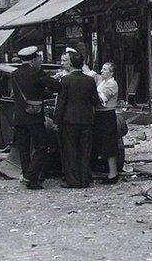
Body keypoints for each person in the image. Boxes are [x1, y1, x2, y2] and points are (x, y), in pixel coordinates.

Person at [11, 46, 61, 190]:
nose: (40, 59)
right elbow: (56, 87)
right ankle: (30, 176)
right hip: (33, 116)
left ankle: (29, 178)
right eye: (38, 57)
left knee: (24, 148)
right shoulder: (37, 73)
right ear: (33, 59)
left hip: (19, 116)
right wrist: (55, 79)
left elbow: (28, 92)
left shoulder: (14, 74)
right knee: (41, 147)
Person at [54, 51, 101, 188]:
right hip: (86, 120)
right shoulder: (90, 80)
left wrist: (56, 121)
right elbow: (95, 100)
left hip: (69, 120)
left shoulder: (66, 80)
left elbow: (61, 102)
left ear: (72, 64)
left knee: (71, 151)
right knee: (85, 151)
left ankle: (73, 180)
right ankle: (84, 179)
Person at [93, 62, 120, 184]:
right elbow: (90, 73)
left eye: (105, 69)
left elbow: (102, 99)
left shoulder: (112, 84)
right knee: (102, 142)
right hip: (100, 114)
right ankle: (108, 171)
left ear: (111, 72)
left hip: (107, 115)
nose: (102, 71)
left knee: (109, 143)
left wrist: (91, 94)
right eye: (102, 68)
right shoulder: (102, 81)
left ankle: (113, 174)